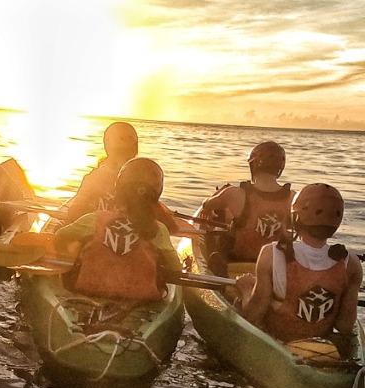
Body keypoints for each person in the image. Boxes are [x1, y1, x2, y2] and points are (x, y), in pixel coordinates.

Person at [238, 184, 362, 343]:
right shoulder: (350, 262)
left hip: (278, 344)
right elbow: (345, 326)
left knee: (239, 299)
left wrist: (246, 289)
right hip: (321, 348)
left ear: (296, 217)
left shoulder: (272, 254)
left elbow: (253, 316)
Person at [54, 157, 182, 300]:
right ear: (156, 195)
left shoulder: (94, 219)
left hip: (88, 290)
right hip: (142, 297)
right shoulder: (159, 230)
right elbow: (176, 269)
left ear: (119, 190)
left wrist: (76, 251)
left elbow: (60, 237)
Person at [195, 141, 292, 274]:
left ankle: (219, 270)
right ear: (280, 168)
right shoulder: (294, 198)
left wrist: (210, 207)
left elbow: (206, 205)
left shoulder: (234, 194)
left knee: (224, 237)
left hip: (238, 263)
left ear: (253, 165)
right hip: (275, 268)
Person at [59, 122, 140, 221]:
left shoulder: (92, 179)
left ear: (106, 145)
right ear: (135, 149)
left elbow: (74, 215)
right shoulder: (143, 181)